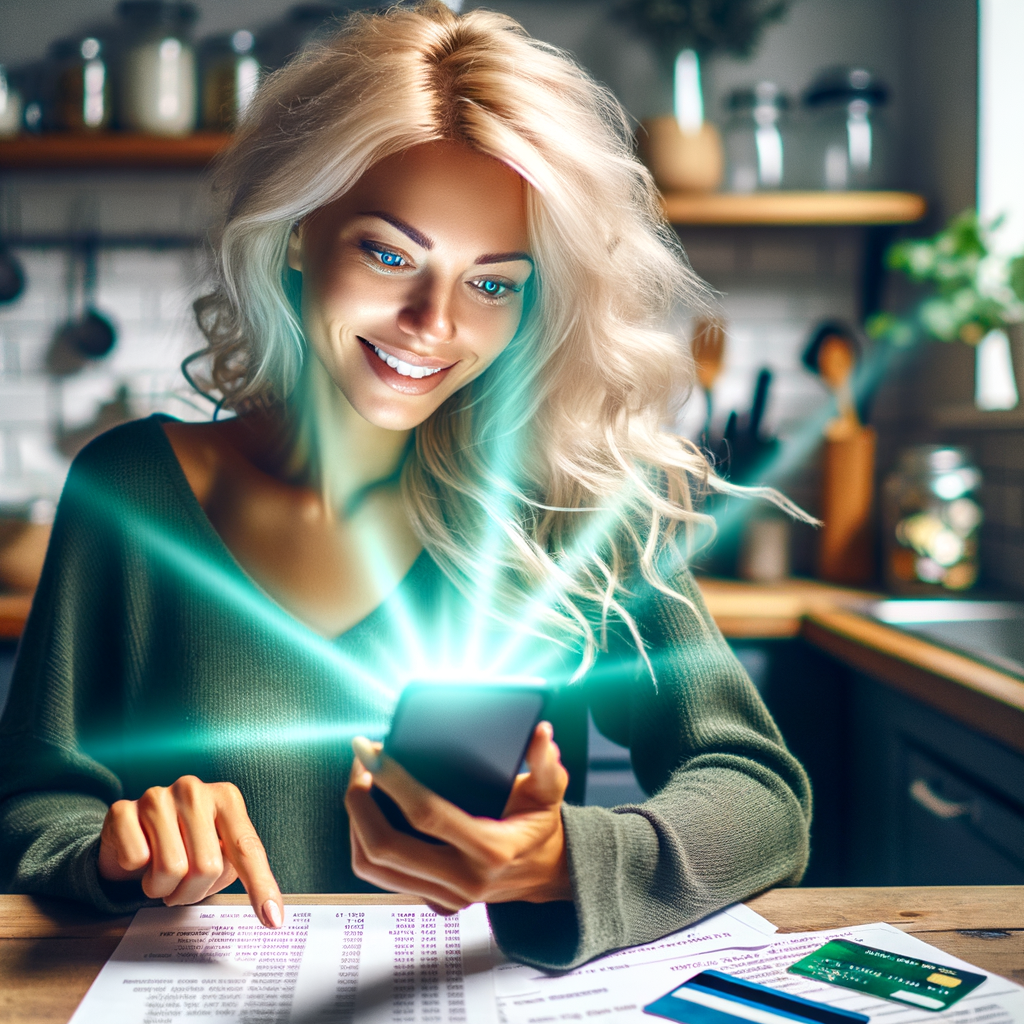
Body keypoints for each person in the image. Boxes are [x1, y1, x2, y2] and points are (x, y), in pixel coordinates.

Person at [0, 1, 810, 971]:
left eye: (494, 282)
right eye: (390, 254)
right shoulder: (128, 489)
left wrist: (560, 860)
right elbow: (30, 806)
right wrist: (117, 846)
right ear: (300, 232)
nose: (434, 322)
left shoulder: (570, 502)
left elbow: (760, 793)